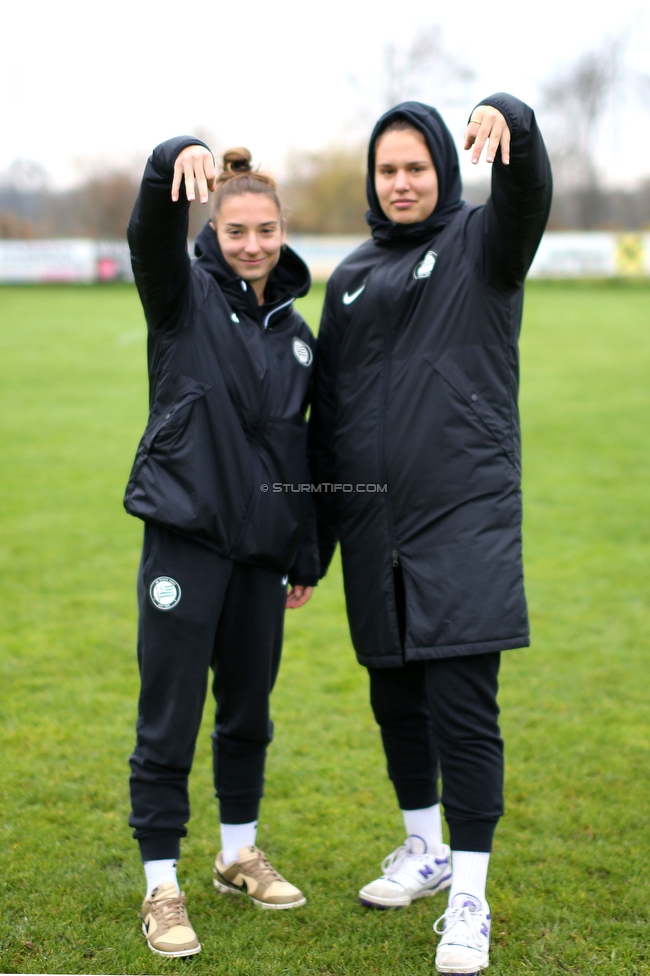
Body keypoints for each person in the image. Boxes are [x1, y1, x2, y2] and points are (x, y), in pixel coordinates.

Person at [309, 94, 551, 973]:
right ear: (373, 181)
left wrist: (513, 124)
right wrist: (316, 539)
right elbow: (327, 418)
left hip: (464, 521)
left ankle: (471, 896)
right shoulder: (349, 278)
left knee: (462, 708)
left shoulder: (484, 245)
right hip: (377, 530)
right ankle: (425, 849)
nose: (402, 182)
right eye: (388, 170)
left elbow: (529, 193)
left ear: (445, 168)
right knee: (394, 700)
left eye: (416, 167)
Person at [125, 136, 319, 957]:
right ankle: (161, 885)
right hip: (187, 536)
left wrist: (304, 548)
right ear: (214, 228)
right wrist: (174, 157)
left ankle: (237, 852)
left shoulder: (298, 332)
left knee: (248, 709)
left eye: (266, 230)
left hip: (261, 552)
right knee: (170, 713)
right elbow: (148, 235)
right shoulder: (181, 295)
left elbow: (299, 445)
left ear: (282, 230)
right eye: (237, 230)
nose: (252, 245)